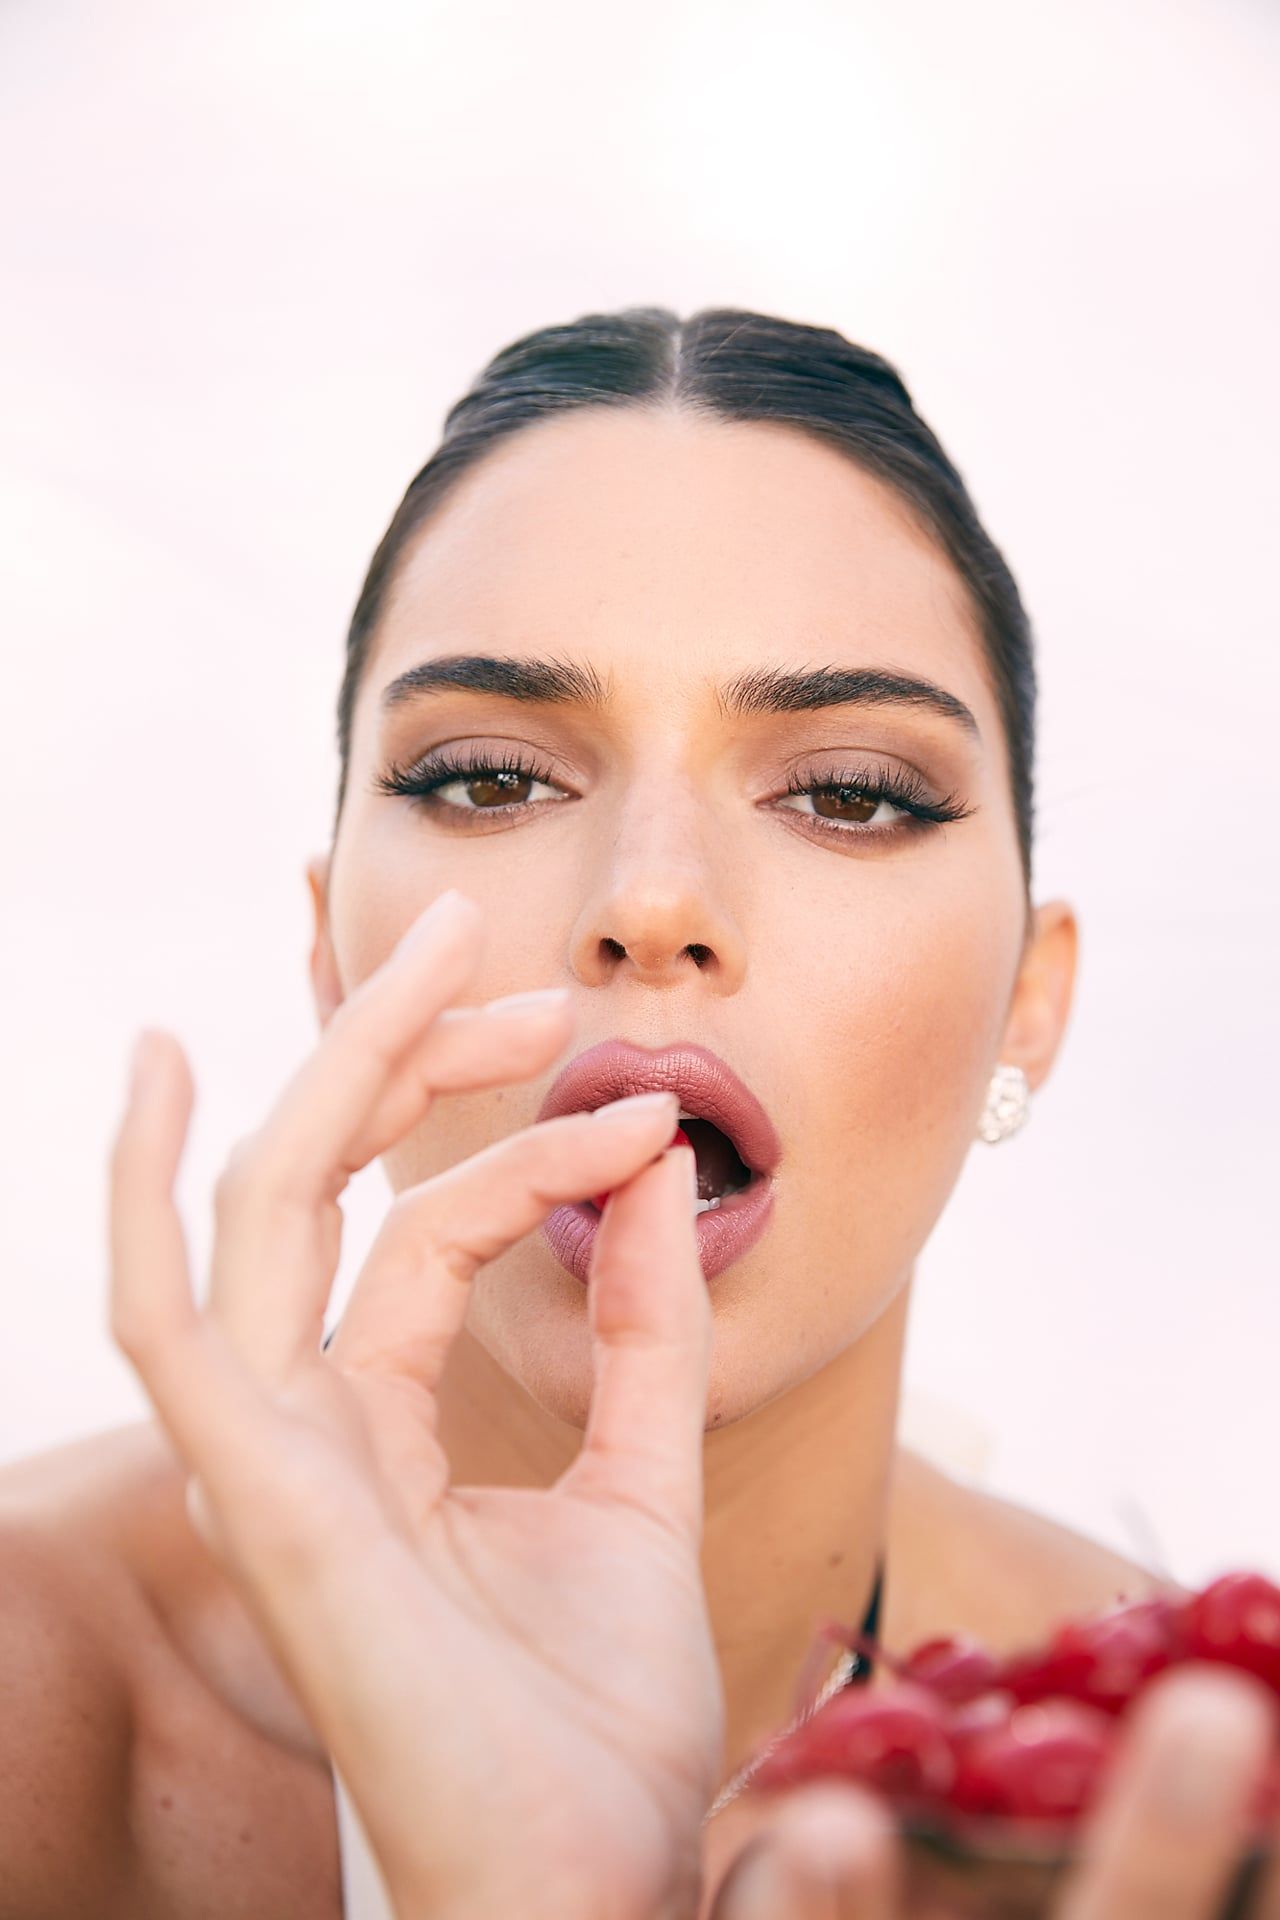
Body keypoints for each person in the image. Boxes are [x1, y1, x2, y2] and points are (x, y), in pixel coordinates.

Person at [4, 306, 1275, 1917]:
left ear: (1033, 992)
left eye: (852, 794)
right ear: (334, 953)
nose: (654, 900)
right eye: (487, 778)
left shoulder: (1190, 1802)